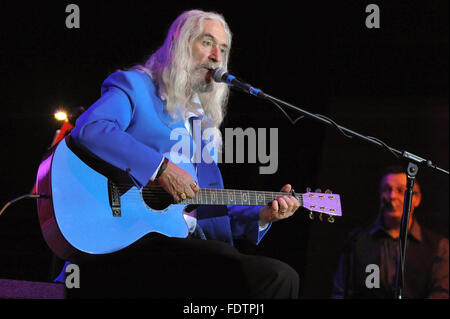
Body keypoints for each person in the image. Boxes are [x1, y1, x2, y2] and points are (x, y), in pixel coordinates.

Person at [61, 9, 300, 298]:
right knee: (237, 269)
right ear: (180, 45)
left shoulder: (205, 128)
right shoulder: (137, 87)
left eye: (223, 49)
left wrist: (261, 215)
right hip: (128, 238)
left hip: (184, 246)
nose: (216, 56)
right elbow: (92, 128)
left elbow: (207, 211)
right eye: (207, 42)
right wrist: (159, 168)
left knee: (279, 275)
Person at [331, 165, 449, 299]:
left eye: (400, 190)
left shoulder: (439, 246)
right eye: (387, 190)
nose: (392, 196)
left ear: (416, 199)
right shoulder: (357, 240)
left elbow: (442, 293)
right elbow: (341, 292)